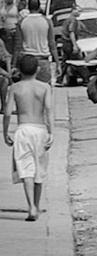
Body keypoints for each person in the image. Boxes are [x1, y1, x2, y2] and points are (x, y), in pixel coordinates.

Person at [7, 54, 51, 221]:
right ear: (38, 69)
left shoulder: (15, 88)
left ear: (19, 70)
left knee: (26, 170)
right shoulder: (44, 87)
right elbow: (49, 110)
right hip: (40, 129)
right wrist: (52, 132)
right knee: (39, 170)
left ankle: (31, 207)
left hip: (23, 129)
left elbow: (8, 112)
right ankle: (37, 206)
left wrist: (5, 133)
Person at [16, 0, 50, 70]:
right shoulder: (47, 21)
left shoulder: (21, 22)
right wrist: (57, 62)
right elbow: (52, 43)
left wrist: (14, 64)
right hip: (43, 60)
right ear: (39, 7)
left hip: (27, 60)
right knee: (44, 81)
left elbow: (18, 45)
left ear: (28, 7)